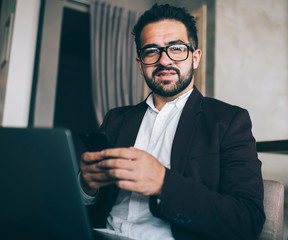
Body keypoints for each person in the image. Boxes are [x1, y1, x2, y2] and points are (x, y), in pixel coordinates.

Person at [80, 4, 265, 240]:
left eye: (176, 48)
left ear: (195, 57)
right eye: (151, 51)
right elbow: (84, 205)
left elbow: (247, 221)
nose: (164, 60)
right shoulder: (115, 119)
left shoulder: (229, 121)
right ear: (140, 64)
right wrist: (87, 187)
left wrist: (164, 184)